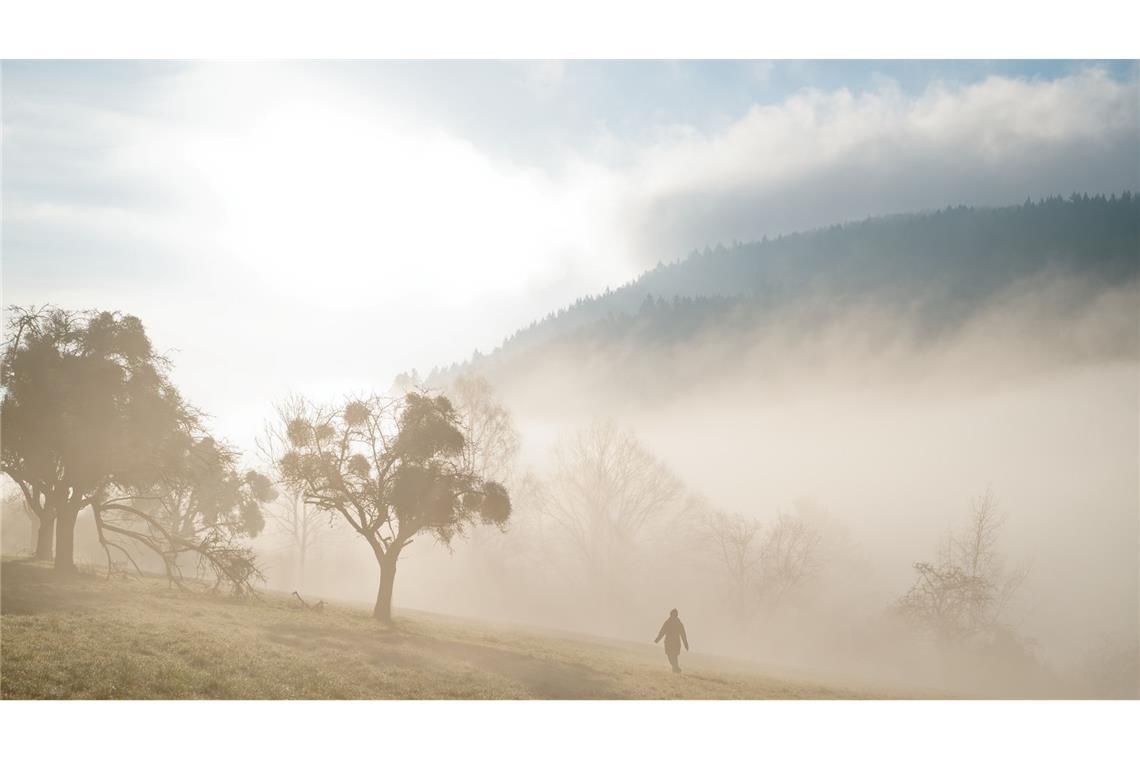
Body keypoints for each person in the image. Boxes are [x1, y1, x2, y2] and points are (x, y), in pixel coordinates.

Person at [654, 608, 689, 673]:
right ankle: (675, 668)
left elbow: (683, 634)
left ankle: (675, 668)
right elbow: (662, 631)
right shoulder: (668, 622)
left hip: (674, 643)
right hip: (670, 643)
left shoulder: (678, 623)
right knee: (671, 656)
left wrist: (686, 644)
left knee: (673, 656)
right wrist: (657, 639)